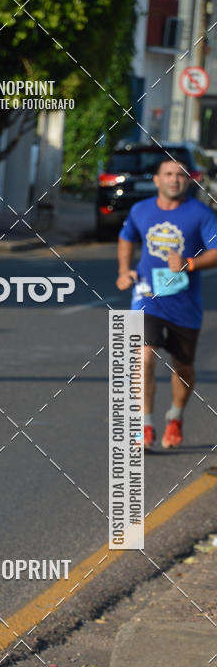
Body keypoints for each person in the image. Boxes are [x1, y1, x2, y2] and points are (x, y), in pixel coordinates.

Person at [116, 156, 217, 449]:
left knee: (183, 368)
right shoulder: (140, 210)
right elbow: (126, 237)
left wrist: (189, 263)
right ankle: (144, 426)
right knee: (143, 357)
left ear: (189, 180)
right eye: (168, 174)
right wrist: (124, 270)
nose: (175, 179)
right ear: (157, 179)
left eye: (181, 175)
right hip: (148, 297)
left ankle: (175, 416)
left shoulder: (200, 214)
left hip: (185, 305)